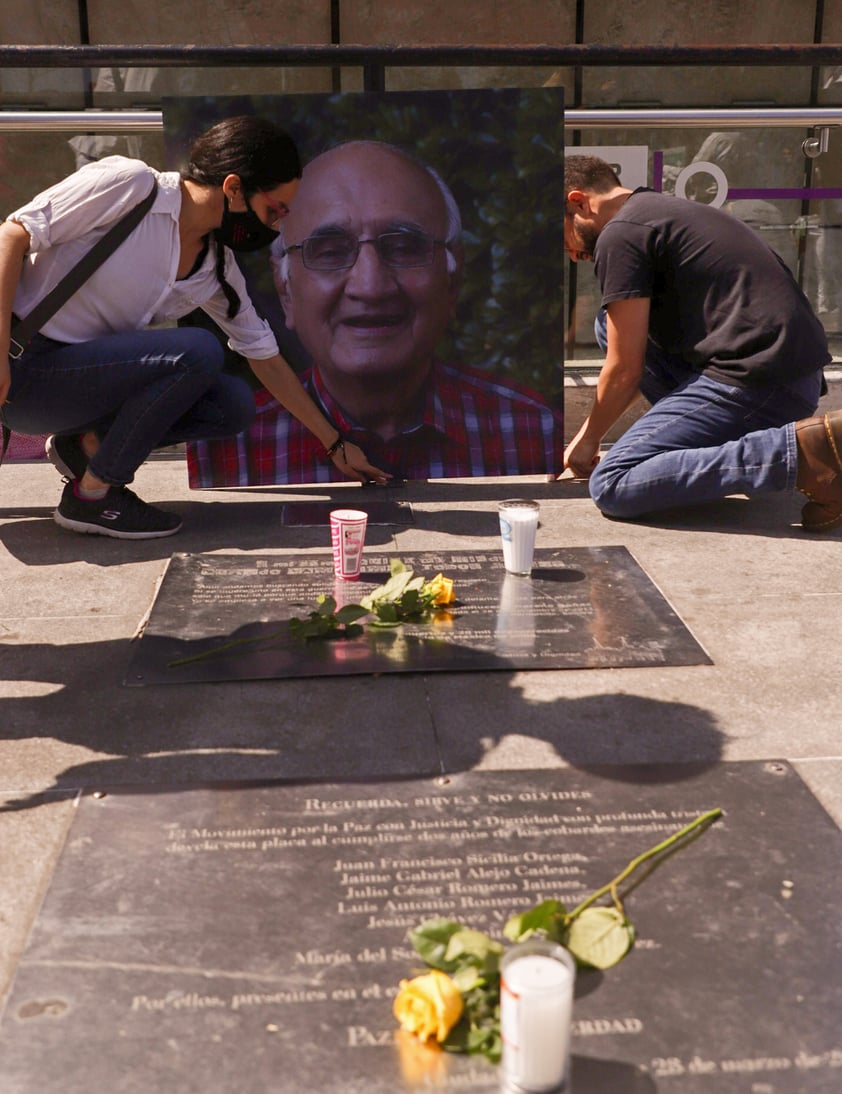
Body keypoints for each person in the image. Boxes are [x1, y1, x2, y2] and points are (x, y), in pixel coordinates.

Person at [0, 116, 387, 539]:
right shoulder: (130, 186)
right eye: (272, 209)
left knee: (233, 403)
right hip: (22, 369)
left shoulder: (214, 266)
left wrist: (334, 443)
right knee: (198, 350)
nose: (275, 225)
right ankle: (93, 498)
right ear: (235, 188)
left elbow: (264, 355)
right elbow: (11, 236)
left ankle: (87, 445)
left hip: (74, 385)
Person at [187, 140, 563, 487]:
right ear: (286, 289)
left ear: (452, 280)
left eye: (403, 246)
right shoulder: (225, 447)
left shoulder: (532, 429)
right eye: (330, 250)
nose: (369, 286)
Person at [562, 154, 842, 533]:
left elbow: (625, 369)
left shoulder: (619, 235)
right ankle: (741, 446)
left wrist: (587, 439)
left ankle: (803, 453)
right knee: (604, 324)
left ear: (577, 201)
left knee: (613, 482)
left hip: (760, 383)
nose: (573, 254)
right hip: (787, 376)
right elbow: (632, 353)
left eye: (562, 236)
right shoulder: (657, 209)